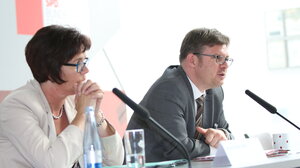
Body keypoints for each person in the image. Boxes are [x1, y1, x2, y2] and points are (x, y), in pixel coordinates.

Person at [0, 25, 124, 168]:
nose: (86, 70)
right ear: (50, 68)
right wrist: (82, 115)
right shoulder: (17, 106)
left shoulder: (73, 101)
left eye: (85, 61)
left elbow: (115, 160)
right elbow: (53, 164)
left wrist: (95, 115)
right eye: (78, 63)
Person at [127, 28, 234, 162]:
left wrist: (222, 135)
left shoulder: (215, 91)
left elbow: (227, 132)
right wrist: (216, 148)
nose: (225, 65)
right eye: (218, 58)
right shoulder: (168, 90)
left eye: (227, 59)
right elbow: (178, 149)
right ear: (193, 60)